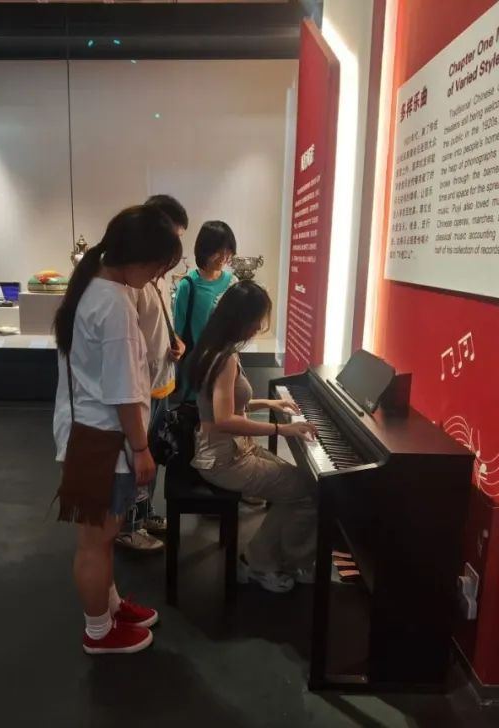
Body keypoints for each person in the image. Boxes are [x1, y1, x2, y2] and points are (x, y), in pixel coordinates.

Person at [53, 205, 182, 654]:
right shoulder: (114, 304)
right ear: (140, 258)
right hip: (103, 439)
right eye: (159, 266)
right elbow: (125, 390)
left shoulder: (95, 285)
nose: (158, 275)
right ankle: (98, 631)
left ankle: (108, 607)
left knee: (102, 539)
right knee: (96, 542)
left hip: (90, 432)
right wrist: (142, 449)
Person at [188, 281, 318, 594]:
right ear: (241, 319)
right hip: (224, 459)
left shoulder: (213, 348)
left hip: (226, 450)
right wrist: (281, 429)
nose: (259, 327)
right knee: (306, 491)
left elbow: (226, 406)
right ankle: (261, 563)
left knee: (302, 482)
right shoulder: (225, 358)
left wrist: (268, 404)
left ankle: (277, 558)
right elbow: (225, 419)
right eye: (257, 319)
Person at [115, 195, 189, 552]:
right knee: (136, 457)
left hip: (162, 380)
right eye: (172, 235)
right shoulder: (130, 280)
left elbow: (159, 321)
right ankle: (127, 526)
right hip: (141, 385)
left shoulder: (156, 274)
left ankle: (144, 515)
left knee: (153, 456)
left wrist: (177, 342)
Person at [171, 220, 238, 398]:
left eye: (228, 251)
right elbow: (178, 331)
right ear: (204, 250)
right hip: (197, 369)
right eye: (218, 251)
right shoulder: (188, 285)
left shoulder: (232, 282)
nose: (223, 257)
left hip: (225, 363)